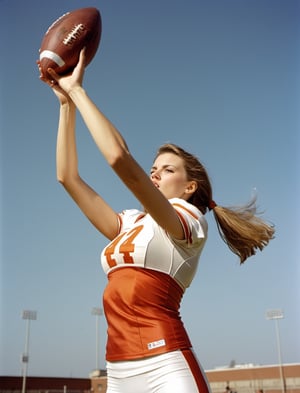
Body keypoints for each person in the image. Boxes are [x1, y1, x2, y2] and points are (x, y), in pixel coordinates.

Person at [38, 49, 274, 393]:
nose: (155, 174)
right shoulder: (132, 221)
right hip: (117, 369)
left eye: (167, 169)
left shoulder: (191, 222)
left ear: (189, 186)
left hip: (167, 364)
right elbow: (67, 177)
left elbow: (119, 158)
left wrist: (78, 90)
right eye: (152, 170)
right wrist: (65, 106)